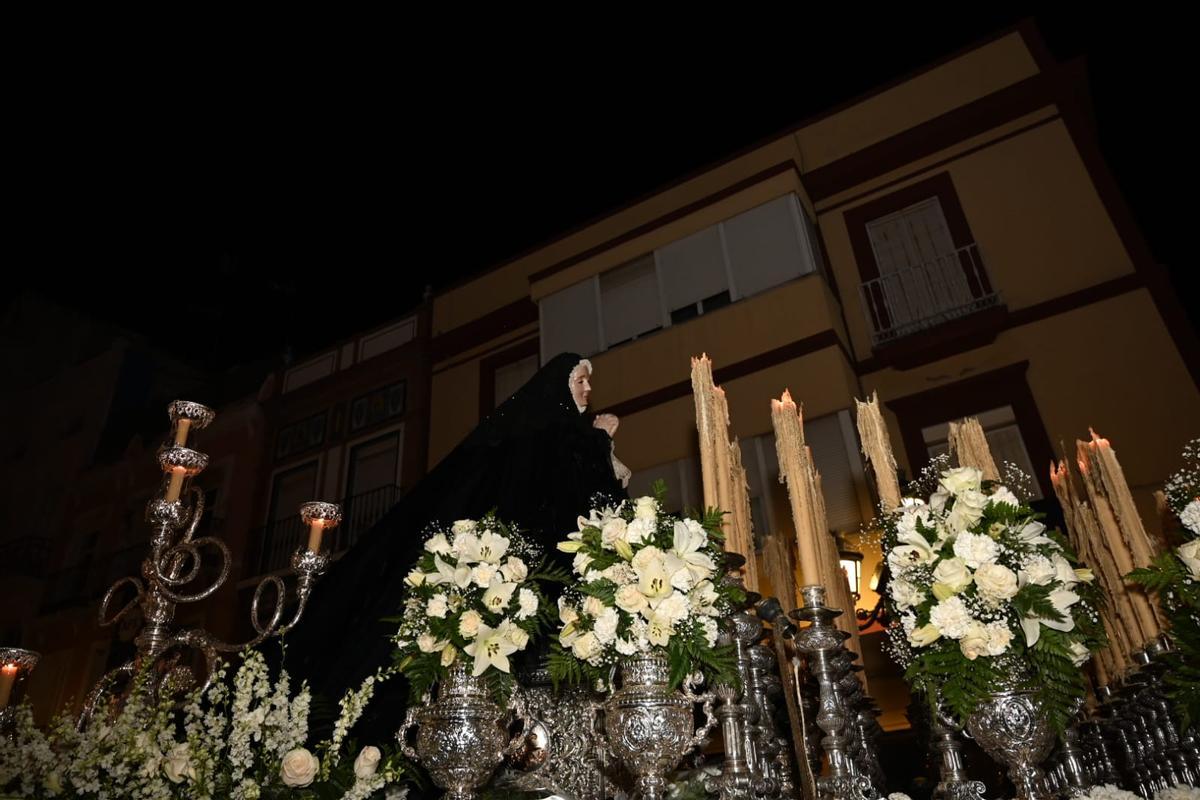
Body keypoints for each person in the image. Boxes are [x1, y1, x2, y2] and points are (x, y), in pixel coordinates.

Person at [285, 352, 629, 712]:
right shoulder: (551, 434)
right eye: (580, 381)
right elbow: (569, 486)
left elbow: (586, 502)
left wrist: (598, 442)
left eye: (588, 381)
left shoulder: (569, 434)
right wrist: (599, 441)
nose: (588, 389)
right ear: (560, 387)